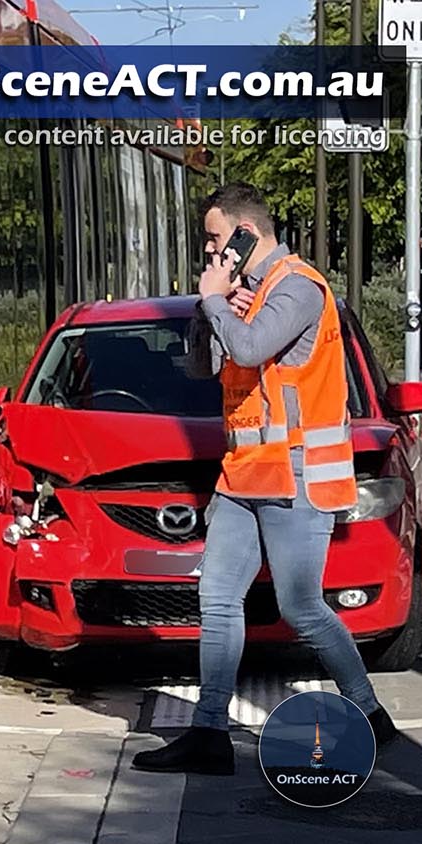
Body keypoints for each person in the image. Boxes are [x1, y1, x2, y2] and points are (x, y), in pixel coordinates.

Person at [133, 182, 397, 776]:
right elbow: (206, 367)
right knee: (218, 597)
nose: (209, 249)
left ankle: (369, 714)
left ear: (248, 232)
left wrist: (219, 304)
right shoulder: (243, 293)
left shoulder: (298, 287)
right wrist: (210, 307)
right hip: (243, 474)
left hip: (296, 473)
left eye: (215, 237)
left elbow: (250, 350)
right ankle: (209, 734)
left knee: (301, 606)